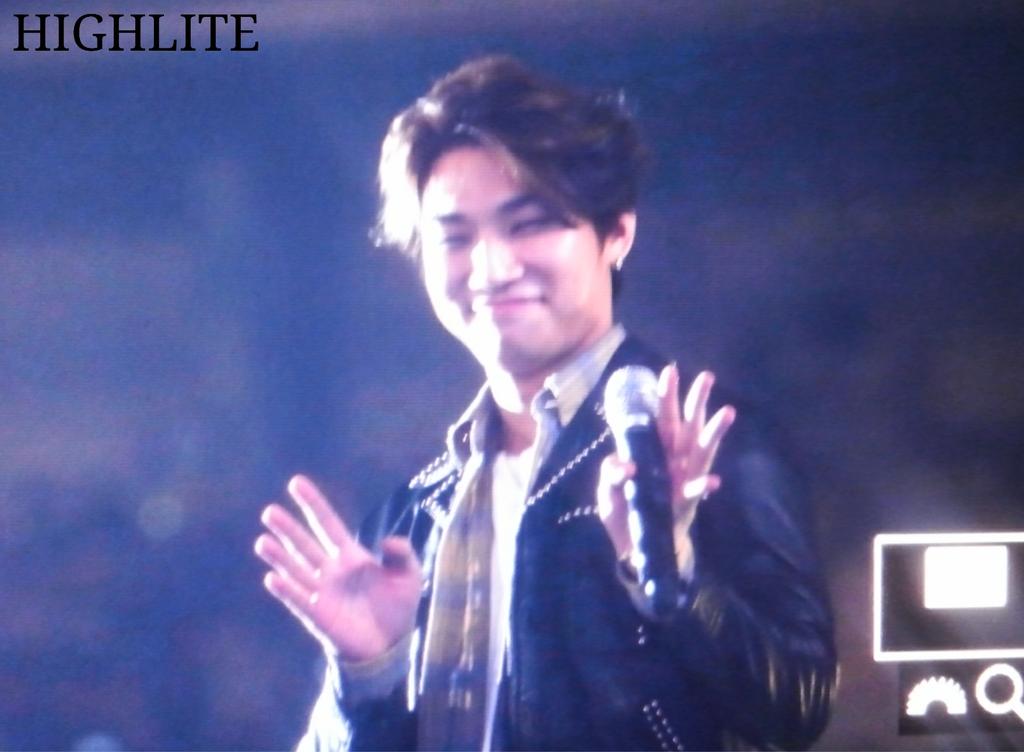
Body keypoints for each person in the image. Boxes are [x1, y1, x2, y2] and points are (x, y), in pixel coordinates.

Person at [255, 55, 837, 751]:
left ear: (616, 233)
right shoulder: (413, 512)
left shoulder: (705, 444)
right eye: (455, 237)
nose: (491, 267)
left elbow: (797, 708)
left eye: (528, 224)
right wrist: (368, 674)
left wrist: (672, 568)